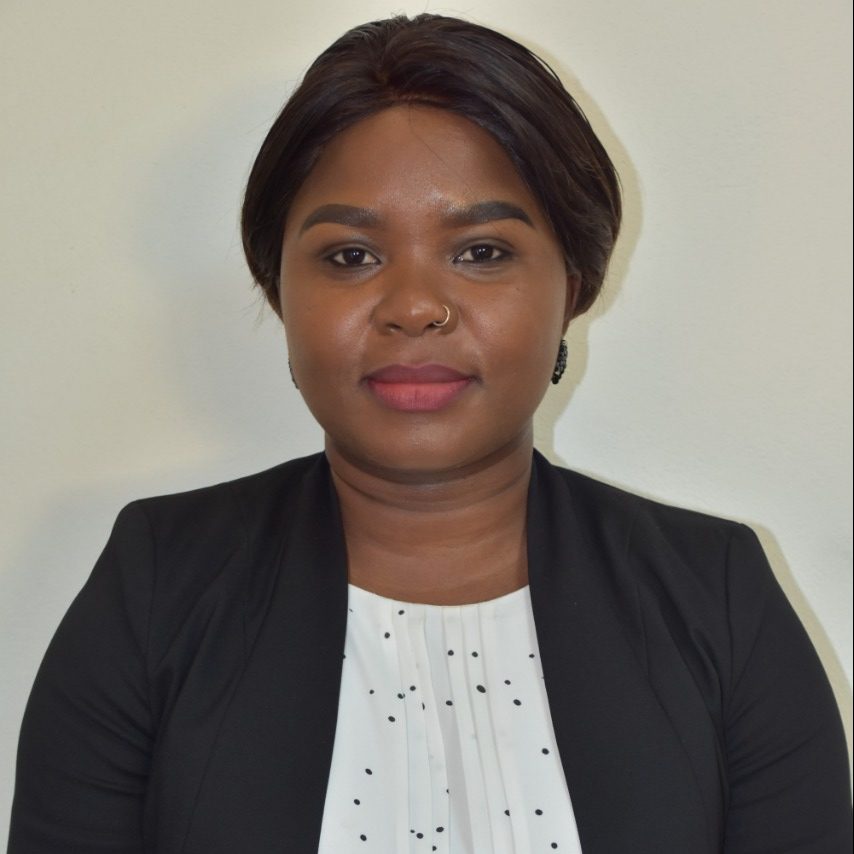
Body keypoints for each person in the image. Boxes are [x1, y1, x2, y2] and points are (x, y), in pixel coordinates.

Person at [8, 13, 851, 854]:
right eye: (351, 256)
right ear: (278, 291)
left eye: (482, 252)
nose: (415, 308)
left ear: (573, 287)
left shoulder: (718, 598)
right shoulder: (159, 586)